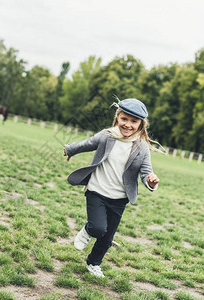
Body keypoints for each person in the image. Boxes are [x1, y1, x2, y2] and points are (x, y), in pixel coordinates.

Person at [63, 98, 160, 278]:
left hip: (119, 199)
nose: (128, 124)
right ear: (117, 118)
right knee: (98, 228)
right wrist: (70, 149)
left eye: (134, 121)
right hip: (97, 191)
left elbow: (146, 172)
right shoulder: (107, 136)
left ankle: (93, 263)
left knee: (106, 239)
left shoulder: (142, 147)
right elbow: (87, 143)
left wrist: (150, 181)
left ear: (141, 124)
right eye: (124, 119)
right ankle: (88, 230)